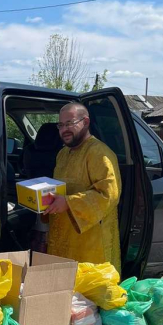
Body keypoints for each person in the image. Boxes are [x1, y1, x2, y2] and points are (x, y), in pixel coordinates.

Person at [45, 102, 122, 272]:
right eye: (61, 125)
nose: (64, 129)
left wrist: (68, 203)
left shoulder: (99, 153)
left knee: (90, 291)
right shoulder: (62, 154)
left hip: (91, 244)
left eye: (69, 123)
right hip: (63, 238)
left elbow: (109, 195)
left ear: (85, 122)